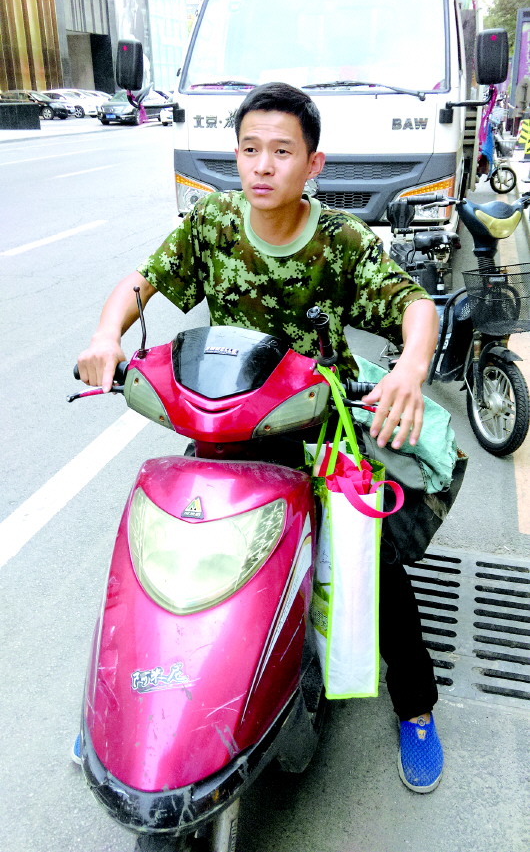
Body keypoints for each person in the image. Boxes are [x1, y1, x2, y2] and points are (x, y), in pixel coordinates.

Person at [76, 82, 443, 793]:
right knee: (170, 559)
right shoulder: (212, 223)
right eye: (250, 150)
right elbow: (141, 283)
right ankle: (134, 710)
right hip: (225, 432)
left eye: (281, 151)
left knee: (373, 565)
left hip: (318, 430)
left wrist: (410, 367)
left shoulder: (342, 241)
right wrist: (104, 335)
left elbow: (414, 304)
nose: (263, 165)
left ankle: (417, 707)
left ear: (313, 164)